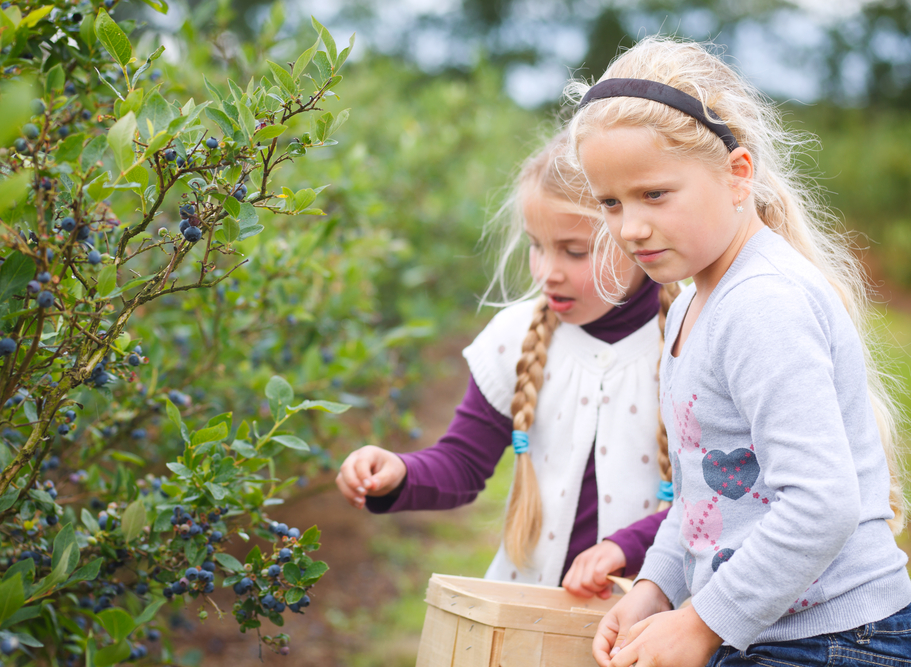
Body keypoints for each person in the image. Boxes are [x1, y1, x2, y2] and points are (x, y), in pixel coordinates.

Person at [566, 36, 911, 667]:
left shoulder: (762, 305)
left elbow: (821, 503)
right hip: (767, 629)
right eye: (610, 203)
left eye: (655, 195)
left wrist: (700, 622)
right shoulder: (694, 306)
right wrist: (657, 587)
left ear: (738, 174)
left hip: (835, 640)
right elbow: (703, 496)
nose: (630, 227)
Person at [335, 130, 681, 596]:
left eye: (574, 251)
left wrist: (629, 545)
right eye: (536, 246)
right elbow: (462, 463)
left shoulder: (692, 339)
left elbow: (715, 501)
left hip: (645, 614)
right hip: (525, 603)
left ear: (637, 234)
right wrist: (400, 473)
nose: (546, 271)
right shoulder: (514, 338)